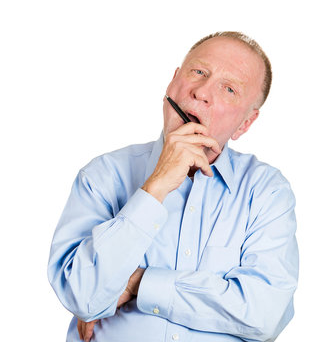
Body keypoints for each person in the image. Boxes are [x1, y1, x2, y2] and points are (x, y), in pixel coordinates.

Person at [48, 31, 299, 342]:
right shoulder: (102, 175)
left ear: (245, 123)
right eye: (198, 72)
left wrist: (138, 283)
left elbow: (264, 315)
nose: (201, 93)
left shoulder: (267, 192)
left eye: (229, 89)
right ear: (173, 82)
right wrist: (156, 187)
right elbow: (82, 296)